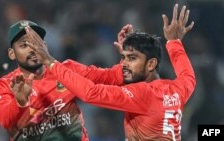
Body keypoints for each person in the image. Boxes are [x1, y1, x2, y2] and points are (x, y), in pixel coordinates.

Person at [28, 4, 196, 141]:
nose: (125, 64)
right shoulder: (177, 90)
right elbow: (188, 77)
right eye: (124, 57)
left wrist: (49, 61)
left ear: (151, 64)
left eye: (132, 58)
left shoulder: (143, 94)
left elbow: (91, 93)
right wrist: (174, 42)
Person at [0, 20, 127, 141]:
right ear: (12, 54)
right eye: (24, 45)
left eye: (35, 43)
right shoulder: (4, 85)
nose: (32, 49)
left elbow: (113, 77)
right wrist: (19, 103)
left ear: (44, 46)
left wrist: (128, 56)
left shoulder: (66, 70)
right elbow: (4, 121)